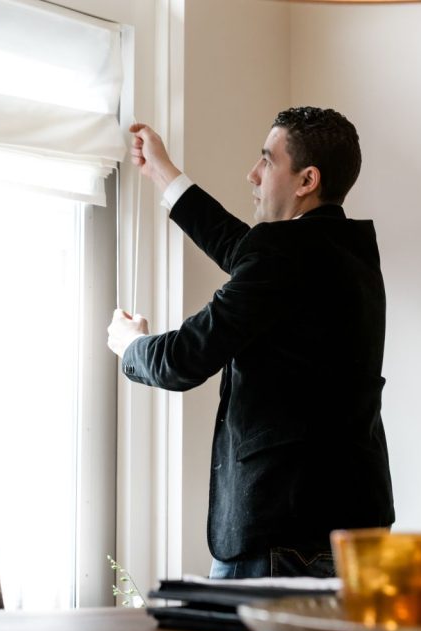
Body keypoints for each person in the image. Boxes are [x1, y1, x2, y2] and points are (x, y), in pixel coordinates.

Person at [107, 107, 395, 579]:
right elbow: (244, 251)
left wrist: (130, 345)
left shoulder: (285, 257)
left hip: (284, 532)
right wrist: (163, 172)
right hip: (359, 528)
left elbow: (184, 357)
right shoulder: (349, 251)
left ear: (306, 180)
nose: (253, 174)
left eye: (267, 160)